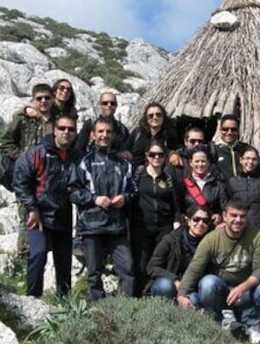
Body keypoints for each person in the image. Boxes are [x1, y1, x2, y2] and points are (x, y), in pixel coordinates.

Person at [177, 199, 260, 344]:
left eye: (242, 216)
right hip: (221, 289)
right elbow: (194, 268)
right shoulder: (212, 238)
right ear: (224, 216)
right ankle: (217, 323)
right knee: (207, 282)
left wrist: (242, 288)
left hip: (246, 290)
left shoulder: (257, 236)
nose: (238, 220)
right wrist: (181, 295)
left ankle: (253, 324)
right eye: (233, 215)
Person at [68, 116, 136, 302]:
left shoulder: (123, 164)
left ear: (113, 135)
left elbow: (133, 190)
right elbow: (73, 191)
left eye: (108, 132)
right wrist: (94, 199)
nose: (104, 135)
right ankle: (95, 310)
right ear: (93, 134)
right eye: (100, 131)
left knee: (127, 269)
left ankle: (125, 310)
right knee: (93, 274)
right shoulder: (83, 162)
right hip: (91, 226)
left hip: (117, 227)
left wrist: (126, 198)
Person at [11, 114, 78, 298]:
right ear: (54, 130)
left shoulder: (76, 155)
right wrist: (32, 208)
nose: (66, 132)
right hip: (38, 215)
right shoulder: (38, 152)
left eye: (71, 129)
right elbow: (19, 180)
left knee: (64, 263)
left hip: (63, 215)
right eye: (62, 128)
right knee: (38, 254)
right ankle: (33, 299)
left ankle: (64, 304)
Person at [130, 141, 181, 295]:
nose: (156, 157)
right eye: (153, 154)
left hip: (163, 227)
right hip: (141, 226)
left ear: (165, 157)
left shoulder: (168, 178)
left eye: (160, 154)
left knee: (161, 263)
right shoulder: (139, 175)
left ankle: (159, 296)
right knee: (141, 264)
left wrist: (177, 221)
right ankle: (140, 297)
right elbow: (131, 200)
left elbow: (175, 203)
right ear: (147, 156)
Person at [145, 206, 210, 301]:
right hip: (170, 283)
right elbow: (152, 267)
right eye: (196, 219)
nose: (200, 224)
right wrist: (174, 280)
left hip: (191, 288)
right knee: (165, 286)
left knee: (194, 300)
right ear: (188, 220)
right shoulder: (171, 240)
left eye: (205, 220)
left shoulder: (210, 242)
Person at [0, 83, 55, 189]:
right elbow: (5, 141)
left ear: (52, 99)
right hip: (26, 172)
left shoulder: (58, 121)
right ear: (33, 101)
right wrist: (20, 156)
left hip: (49, 173)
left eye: (47, 98)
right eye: (39, 98)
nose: (43, 101)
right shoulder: (24, 119)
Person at [226, 145, 260, 239]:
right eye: (247, 158)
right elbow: (227, 205)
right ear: (241, 160)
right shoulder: (232, 181)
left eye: (254, 159)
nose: (250, 162)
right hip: (238, 228)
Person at [180, 145, 228, 226]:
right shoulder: (183, 182)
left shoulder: (217, 184)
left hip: (210, 226)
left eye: (203, 161)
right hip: (189, 227)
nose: (200, 164)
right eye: (197, 161)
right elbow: (178, 207)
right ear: (191, 163)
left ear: (208, 162)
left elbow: (224, 207)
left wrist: (219, 216)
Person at [123, 102, 180, 168]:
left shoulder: (169, 135)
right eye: (151, 116)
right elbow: (125, 150)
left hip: (159, 174)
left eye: (158, 115)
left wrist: (173, 154)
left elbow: (177, 150)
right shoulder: (137, 133)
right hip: (135, 174)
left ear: (163, 117)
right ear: (146, 119)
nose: (155, 117)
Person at [74, 92, 129, 158]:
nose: (109, 105)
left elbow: (127, 151)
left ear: (116, 106)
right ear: (100, 105)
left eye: (112, 103)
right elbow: (79, 148)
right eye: (105, 103)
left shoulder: (122, 129)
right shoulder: (90, 124)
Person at [212, 114, 249, 178]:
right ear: (220, 130)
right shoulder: (213, 149)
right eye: (225, 129)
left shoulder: (245, 148)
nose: (229, 132)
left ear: (238, 130)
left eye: (233, 129)